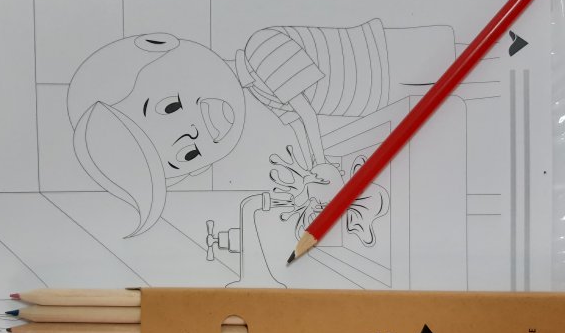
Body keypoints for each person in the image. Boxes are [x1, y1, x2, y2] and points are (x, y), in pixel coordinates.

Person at [68, 20, 446, 236]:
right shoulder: (259, 94)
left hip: (383, 56)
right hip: (373, 97)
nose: (196, 133)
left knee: (452, 53)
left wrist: (320, 166)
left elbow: (305, 111)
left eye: (171, 106)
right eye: (189, 154)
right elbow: (297, 120)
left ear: (159, 42)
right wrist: (311, 176)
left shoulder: (260, 49)